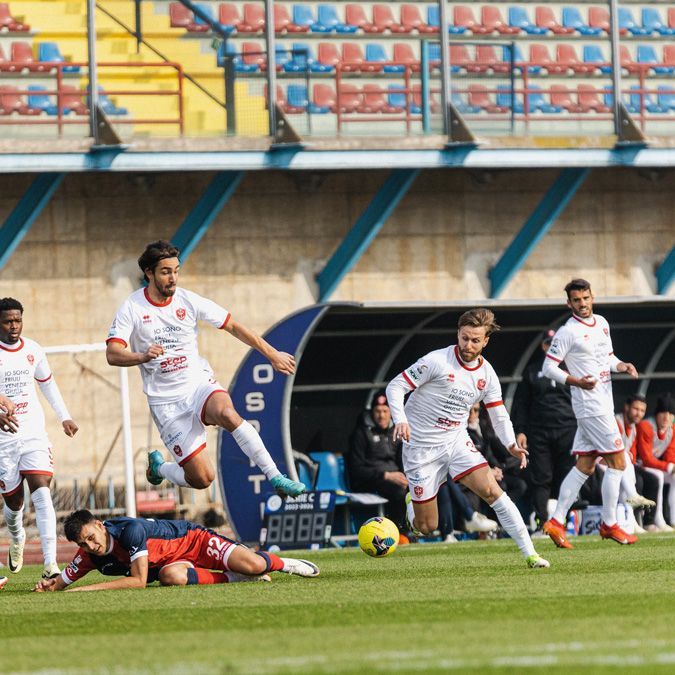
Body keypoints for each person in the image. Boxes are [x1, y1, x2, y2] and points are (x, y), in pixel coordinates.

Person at [106, 241, 304, 497]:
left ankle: (276, 477)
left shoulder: (188, 300)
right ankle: (161, 468)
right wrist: (141, 356)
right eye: (166, 272)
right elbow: (113, 354)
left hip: (198, 385)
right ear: (149, 273)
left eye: (176, 271)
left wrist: (272, 354)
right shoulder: (132, 308)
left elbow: (233, 326)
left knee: (228, 414)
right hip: (166, 403)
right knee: (202, 479)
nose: (173, 278)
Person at [385, 308, 549, 569]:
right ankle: (412, 505)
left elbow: (499, 414)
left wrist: (511, 445)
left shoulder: (486, 374)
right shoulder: (437, 361)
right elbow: (395, 386)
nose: (468, 345)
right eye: (464, 338)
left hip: (456, 441)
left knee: (493, 491)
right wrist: (401, 419)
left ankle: (531, 553)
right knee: (427, 527)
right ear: (458, 334)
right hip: (421, 448)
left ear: (485, 341)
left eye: (475, 340)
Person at [541, 279, 639, 548]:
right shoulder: (567, 332)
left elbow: (607, 356)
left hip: (602, 403)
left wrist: (622, 365)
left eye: (585, 298)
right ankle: (609, 523)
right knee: (618, 462)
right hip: (590, 406)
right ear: (569, 303)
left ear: (592, 297)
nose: (582, 304)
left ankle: (556, 521)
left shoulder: (602, 323)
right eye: (576, 300)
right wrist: (577, 382)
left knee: (585, 466)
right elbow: (549, 368)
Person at [33, 509, 319, 592]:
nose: (90, 546)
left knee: (255, 564)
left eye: (91, 538)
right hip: (173, 563)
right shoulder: (88, 555)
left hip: (194, 540)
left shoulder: (129, 531)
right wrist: (47, 586)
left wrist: (87, 590)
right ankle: (237, 578)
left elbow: (138, 582)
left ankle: (284, 563)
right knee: (171, 577)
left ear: (99, 524)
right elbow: (60, 583)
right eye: (83, 544)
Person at [0, 297, 79, 580]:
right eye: (8, 321)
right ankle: (17, 535)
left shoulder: (33, 350)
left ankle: (50, 565)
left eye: (18, 320)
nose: (14, 326)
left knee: (42, 492)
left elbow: (48, 385)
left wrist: (65, 416)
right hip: (3, 441)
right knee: (13, 504)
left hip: (33, 434)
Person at [512, 330, 577, 531]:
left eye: (556, 343)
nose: (553, 347)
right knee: (541, 478)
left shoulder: (572, 369)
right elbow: (521, 403)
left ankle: (563, 521)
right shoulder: (532, 371)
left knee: (567, 476)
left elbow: (582, 400)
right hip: (539, 432)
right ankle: (541, 522)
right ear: (544, 346)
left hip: (568, 429)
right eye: (550, 343)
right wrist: (521, 431)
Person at [346, 390, 408, 532]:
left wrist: (407, 476)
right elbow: (356, 468)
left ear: (391, 413)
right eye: (378, 411)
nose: (381, 416)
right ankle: (400, 533)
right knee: (398, 491)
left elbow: (402, 461)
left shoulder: (396, 432)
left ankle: (423, 530)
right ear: (372, 413)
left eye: (385, 411)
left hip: (394, 479)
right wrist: (386, 475)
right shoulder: (361, 434)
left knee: (419, 487)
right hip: (368, 481)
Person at [610, 394, 657, 532]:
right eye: (636, 409)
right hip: (604, 462)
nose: (639, 413)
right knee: (627, 463)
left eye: (642, 411)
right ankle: (631, 516)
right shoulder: (616, 421)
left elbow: (634, 455)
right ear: (626, 407)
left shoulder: (635, 428)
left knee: (652, 479)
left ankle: (646, 521)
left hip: (623, 465)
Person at [636, 394, 675, 529]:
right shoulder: (646, 425)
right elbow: (646, 459)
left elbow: (670, 454)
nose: (667, 417)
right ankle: (655, 519)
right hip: (638, 463)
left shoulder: (672, 430)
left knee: (673, 477)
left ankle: (673, 520)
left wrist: (672, 467)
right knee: (658, 476)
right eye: (663, 412)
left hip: (653, 465)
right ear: (657, 414)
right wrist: (669, 466)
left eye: (670, 413)